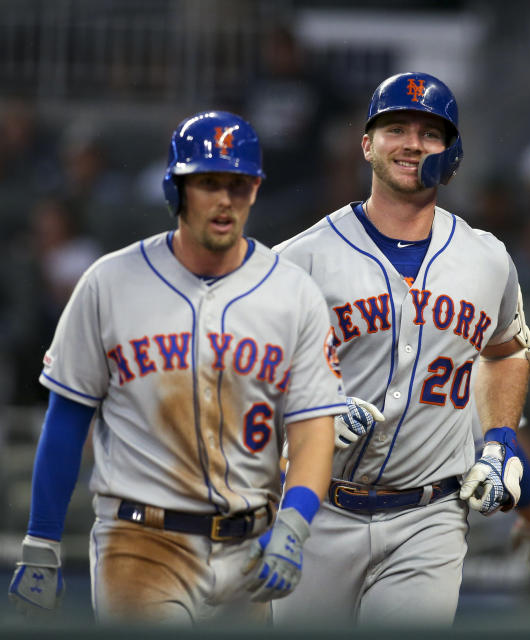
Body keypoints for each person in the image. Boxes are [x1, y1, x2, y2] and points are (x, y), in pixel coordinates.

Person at [7, 111, 347, 624]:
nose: (225, 199)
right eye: (208, 182)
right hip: (140, 540)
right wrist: (42, 538)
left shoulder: (293, 292)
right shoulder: (109, 282)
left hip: (251, 545)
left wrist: (294, 525)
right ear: (177, 188)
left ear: (255, 189)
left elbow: (315, 428)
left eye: (238, 183)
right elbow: (68, 417)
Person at [272, 71, 530, 625]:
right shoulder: (298, 259)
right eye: (395, 128)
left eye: (430, 133)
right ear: (367, 144)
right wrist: (309, 411)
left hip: (430, 517)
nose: (412, 144)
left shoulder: (487, 258)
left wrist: (498, 442)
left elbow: (506, 352)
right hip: (319, 508)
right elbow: (245, 380)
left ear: (452, 153)